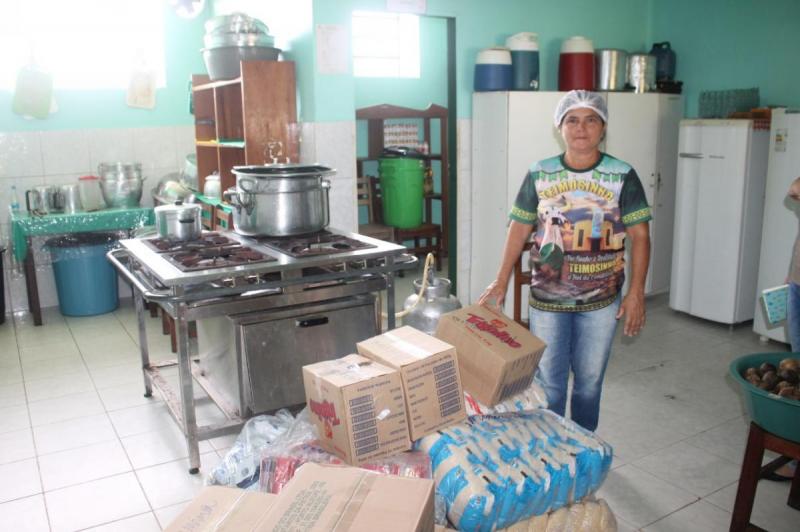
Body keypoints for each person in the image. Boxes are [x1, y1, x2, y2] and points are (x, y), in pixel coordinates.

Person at [478, 90, 651, 432]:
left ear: (603, 127)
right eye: (572, 120)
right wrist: (500, 280)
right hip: (548, 298)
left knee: (589, 382)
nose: (581, 128)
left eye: (591, 120)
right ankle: (553, 442)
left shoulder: (622, 174)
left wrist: (636, 293)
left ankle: (584, 442)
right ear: (560, 127)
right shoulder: (540, 172)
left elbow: (641, 236)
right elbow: (519, 228)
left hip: (602, 299)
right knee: (550, 383)